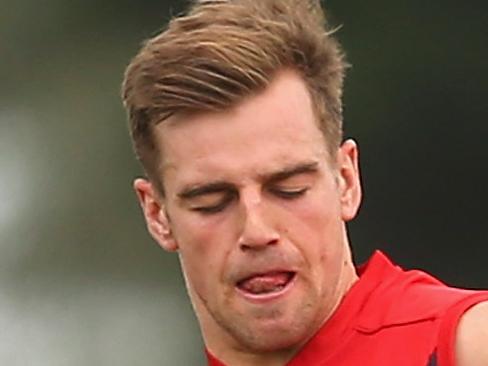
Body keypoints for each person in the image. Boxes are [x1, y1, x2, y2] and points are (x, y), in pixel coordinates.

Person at [121, 0, 488, 365]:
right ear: (158, 215)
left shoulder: (465, 343)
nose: (256, 230)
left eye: (288, 188)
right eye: (213, 202)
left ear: (346, 180)